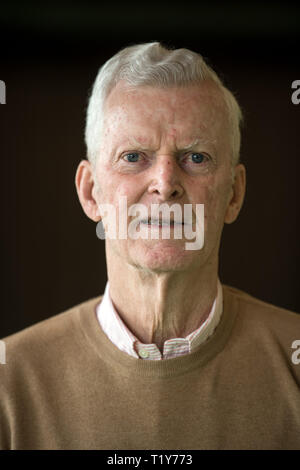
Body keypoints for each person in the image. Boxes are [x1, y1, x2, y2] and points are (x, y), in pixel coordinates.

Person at [0, 42, 299, 450]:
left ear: (234, 193)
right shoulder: (9, 382)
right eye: (134, 156)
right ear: (91, 193)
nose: (165, 183)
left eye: (195, 157)